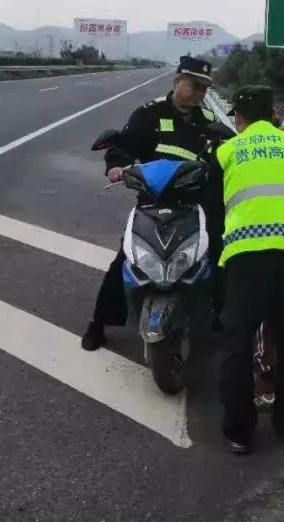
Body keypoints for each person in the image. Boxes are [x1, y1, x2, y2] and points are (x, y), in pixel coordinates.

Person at [209, 85, 284, 454]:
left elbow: (213, 215)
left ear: (239, 120)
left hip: (245, 259)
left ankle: (239, 432)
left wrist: (220, 265)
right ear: (275, 114)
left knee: (236, 345)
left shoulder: (227, 151)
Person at [81, 55, 224, 351]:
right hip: (154, 200)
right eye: (194, 85)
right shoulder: (148, 115)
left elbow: (227, 154)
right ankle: (99, 322)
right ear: (176, 81)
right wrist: (116, 166)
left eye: (204, 88)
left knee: (219, 255)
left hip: (197, 203)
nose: (200, 92)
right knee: (127, 259)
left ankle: (220, 321)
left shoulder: (210, 122)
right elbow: (123, 145)